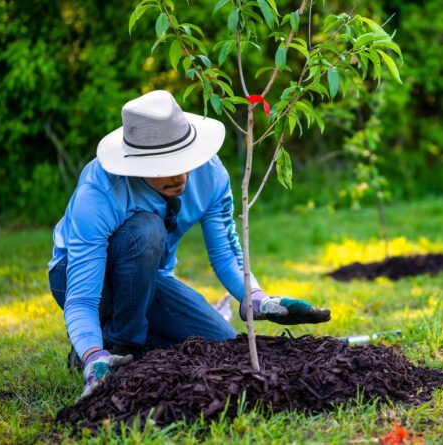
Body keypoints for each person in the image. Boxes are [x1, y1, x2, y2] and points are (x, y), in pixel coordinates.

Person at [47, 90, 330, 399]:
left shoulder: (210, 174)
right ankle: (113, 347)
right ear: (136, 164)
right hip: (79, 278)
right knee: (146, 229)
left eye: (184, 159)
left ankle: (113, 341)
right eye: (163, 165)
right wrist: (92, 355)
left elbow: (225, 252)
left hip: (150, 279)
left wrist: (256, 298)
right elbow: (82, 298)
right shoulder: (100, 192)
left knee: (220, 343)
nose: (180, 175)